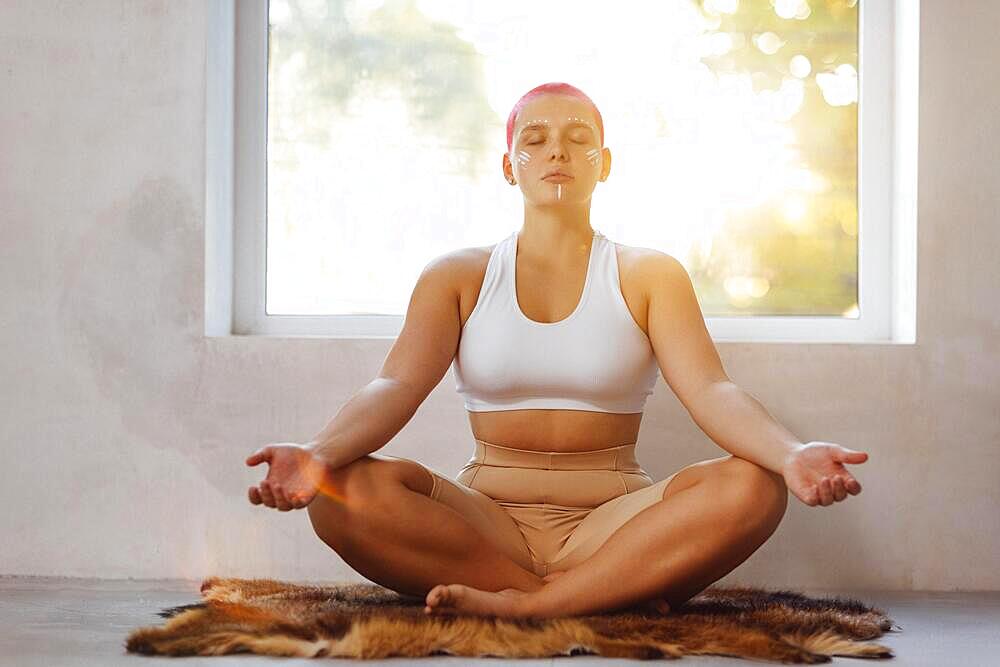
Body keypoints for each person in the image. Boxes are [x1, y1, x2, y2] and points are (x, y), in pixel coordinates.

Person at [245, 82, 869, 620]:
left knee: (754, 487)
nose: (557, 151)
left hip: (614, 523)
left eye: (577, 137)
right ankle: (589, 597)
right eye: (536, 138)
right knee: (340, 492)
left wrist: (789, 454)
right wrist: (319, 453)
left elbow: (712, 391)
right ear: (509, 165)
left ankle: (534, 605)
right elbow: (395, 388)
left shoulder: (649, 274)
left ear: (604, 162)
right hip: (485, 521)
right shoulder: (455, 277)